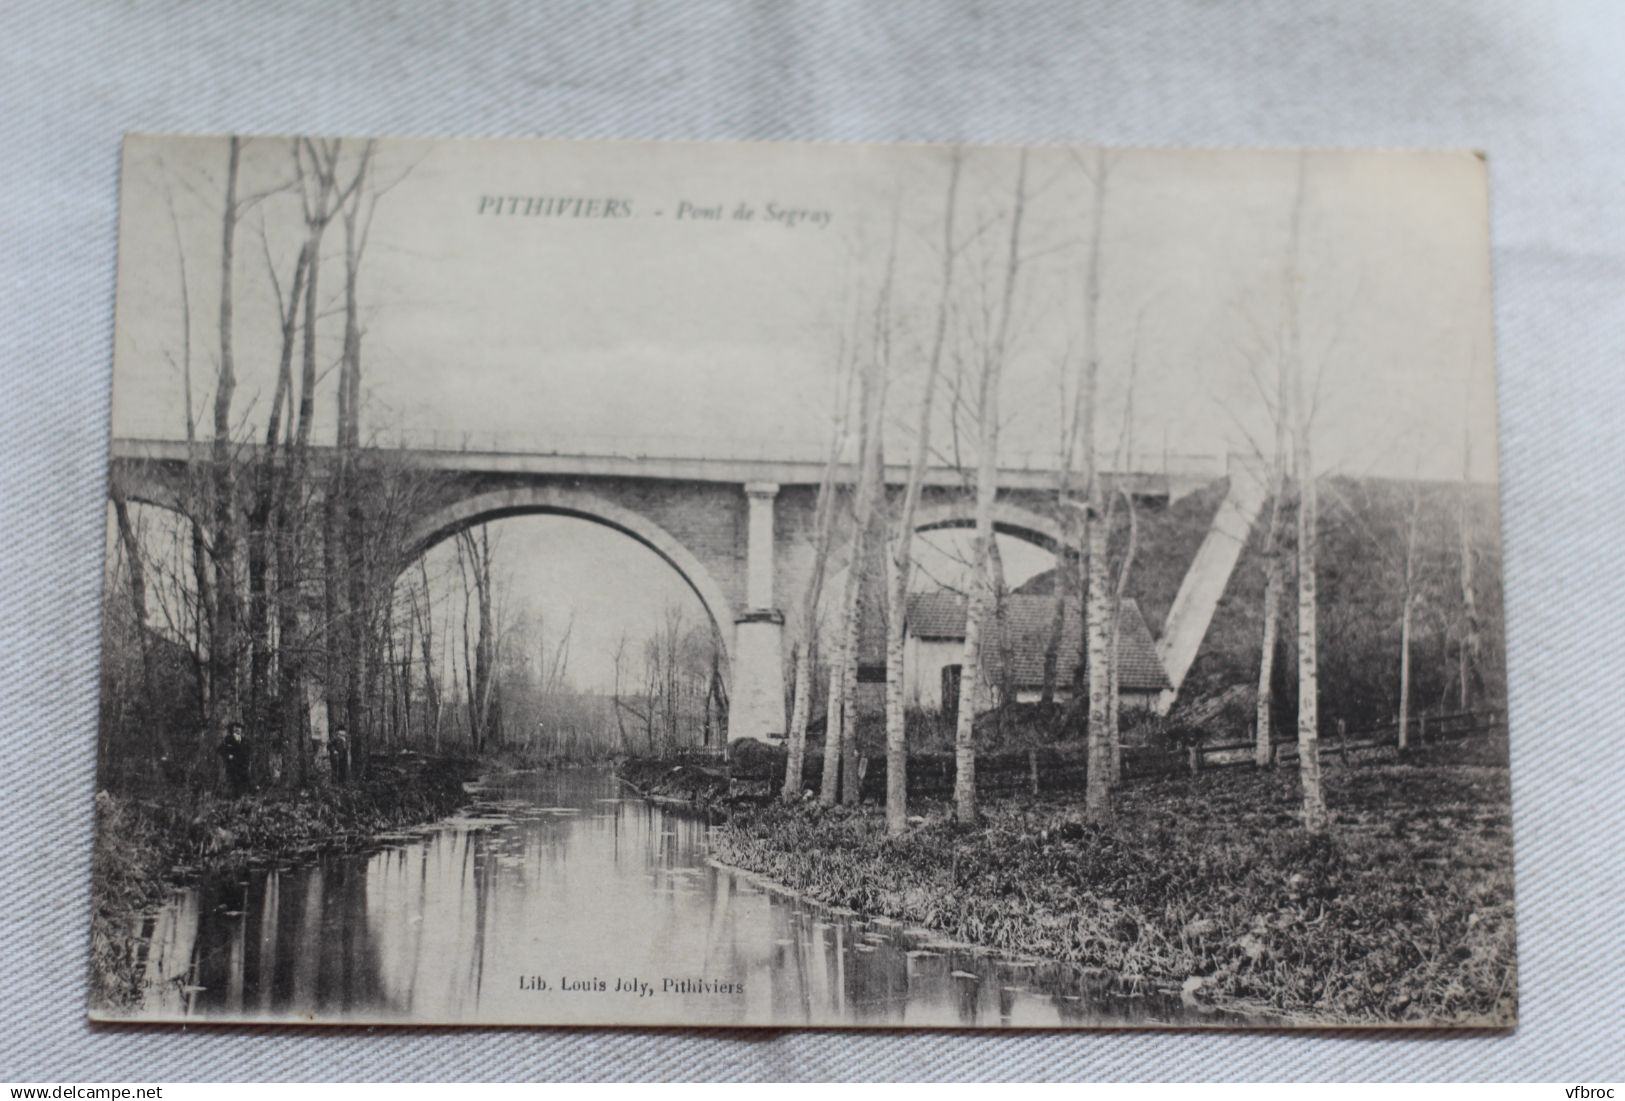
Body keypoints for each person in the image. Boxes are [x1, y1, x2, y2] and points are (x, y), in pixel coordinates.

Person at [216, 720, 251, 798]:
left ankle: (244, 798)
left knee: (244, 781)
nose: (237, 729)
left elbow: (249, 751)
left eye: (239, 728)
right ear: (232, 729)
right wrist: (228, 755)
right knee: (234, 782)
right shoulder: (228, 739)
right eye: (235, 727)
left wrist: (247, 760)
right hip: (233, 765)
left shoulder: (245, 740)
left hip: (243, 765)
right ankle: (235, 798)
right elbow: (220, 749)